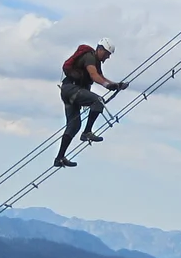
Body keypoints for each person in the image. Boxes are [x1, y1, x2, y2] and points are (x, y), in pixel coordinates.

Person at [54, 40, 127, 168]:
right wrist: (107, 85)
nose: (108, 57)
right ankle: (87, 132)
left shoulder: (95, 61)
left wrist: (116, 85)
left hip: (68, 91)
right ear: (100, 49)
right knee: (97, 101)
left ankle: (59, 158)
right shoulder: (90, 57)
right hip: (72, 89)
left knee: (74, 125)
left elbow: (101, 77)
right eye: (107, 54)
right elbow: (94, 76)